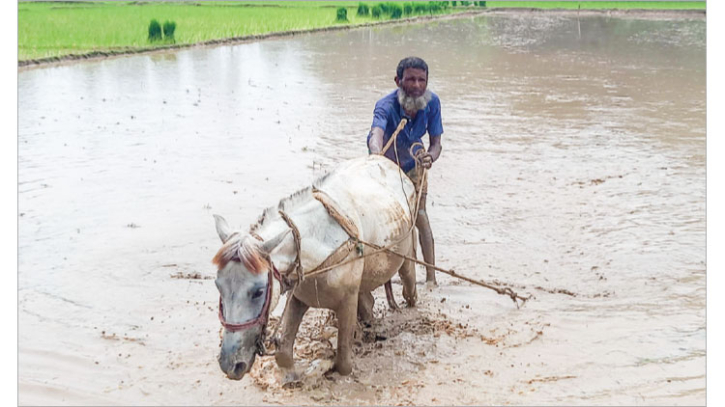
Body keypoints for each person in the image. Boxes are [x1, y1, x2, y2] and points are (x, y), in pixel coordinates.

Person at [367, 56, 443, 285]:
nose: (417, 86)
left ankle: (431, 278)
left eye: (422, 80)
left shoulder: (432, 103)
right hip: (386, 169)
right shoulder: (386, 105)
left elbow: (436, 143)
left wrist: (431, 156)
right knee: (385, 222)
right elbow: (376, 134)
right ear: (398, 80)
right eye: (411, 79)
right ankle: (383, 276)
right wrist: (376, 156)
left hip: (413, 166)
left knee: (420, 217)